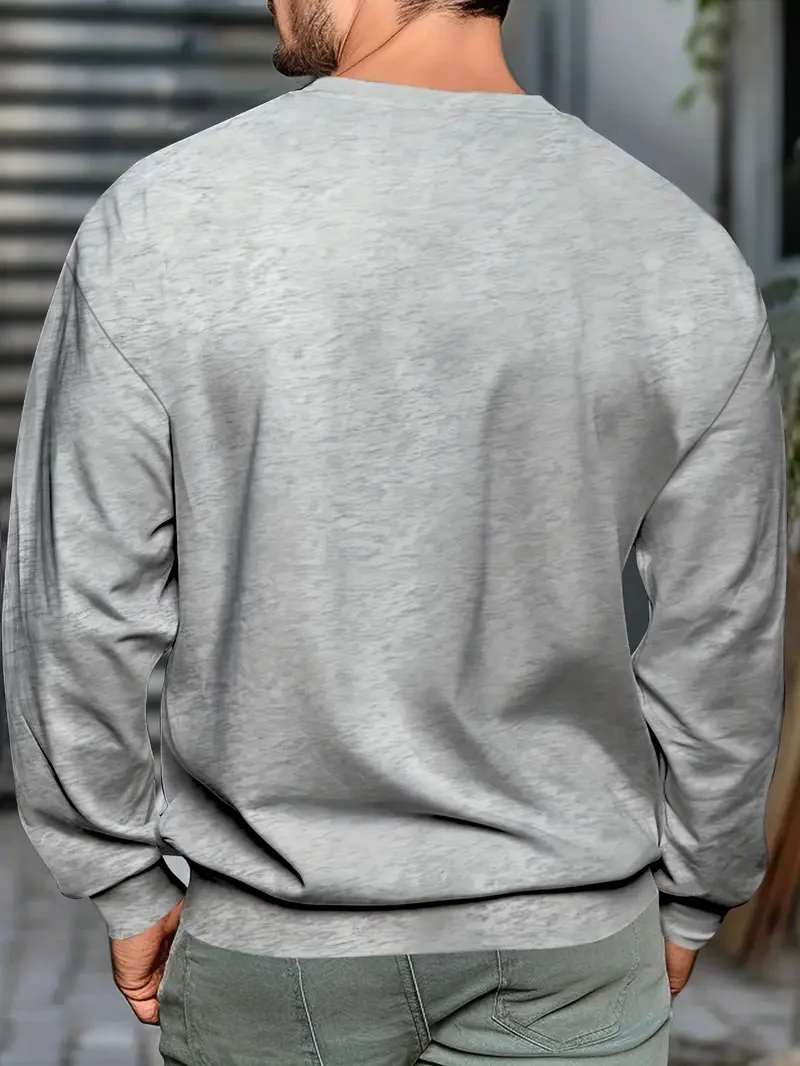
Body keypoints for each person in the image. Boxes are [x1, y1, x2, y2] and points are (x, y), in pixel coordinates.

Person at [2, 0, 786, 1063]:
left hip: (275, 951)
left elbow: (77, 603)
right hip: (570, 950)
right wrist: (697, 889)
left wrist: (121, 875)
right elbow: (722, 633)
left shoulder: (164, 217)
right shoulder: (676, 249)